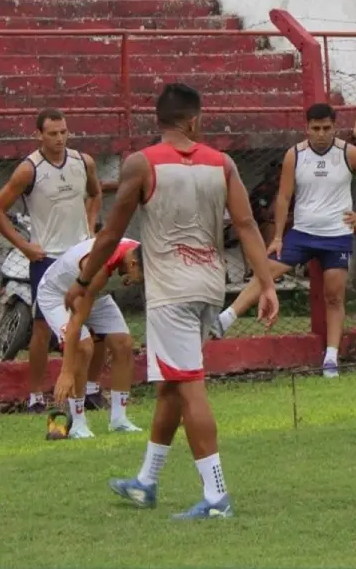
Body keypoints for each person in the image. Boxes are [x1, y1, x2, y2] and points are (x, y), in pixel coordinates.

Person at [67, 83, 279, 520]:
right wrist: (267, 284)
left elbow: (110, 233)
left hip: (171, 293)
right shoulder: (223, 163)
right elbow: (245, 223)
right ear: (195, 120)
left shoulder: (141, 163)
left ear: (159, 120)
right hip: (208, 286)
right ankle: (146, 481)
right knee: (170, 385)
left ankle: (217, 497)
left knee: (189, 387)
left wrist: (85, 278)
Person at [215, 103, 356, 377]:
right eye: (315, 128)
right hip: (302, 233)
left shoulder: (349, 153)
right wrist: (277, 236)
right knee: (264, 272)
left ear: (335, 127)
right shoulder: (294, 155)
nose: (321, 134)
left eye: (326, 128)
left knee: (334, 295)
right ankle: (224, 321)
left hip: (337, 235)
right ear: (306, 128)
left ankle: (331, 358)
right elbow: (284, 196)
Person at [0, 108, 105, 413]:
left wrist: (90, 229)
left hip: (81, 256)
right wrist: (25, 246)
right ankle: (36, 396)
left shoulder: (83, 162)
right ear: (38, 134)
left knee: (95, 319)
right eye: (52, 133)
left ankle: (91, 390)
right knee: (42, 328)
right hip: (47, 259)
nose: (59, 139)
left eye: (64, 132)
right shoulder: (29, 169)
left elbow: (96, 194)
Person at [41, 237, 144, 437]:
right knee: (83, 347)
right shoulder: (99, 267)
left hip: (96, 294)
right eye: (142, 277)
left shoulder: (140, 253)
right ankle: (77, 424)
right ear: (133, 265)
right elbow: (76, 323)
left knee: (123, 344)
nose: (141, 282)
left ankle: (119, 420)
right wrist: (67, 372)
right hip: (57, 294)